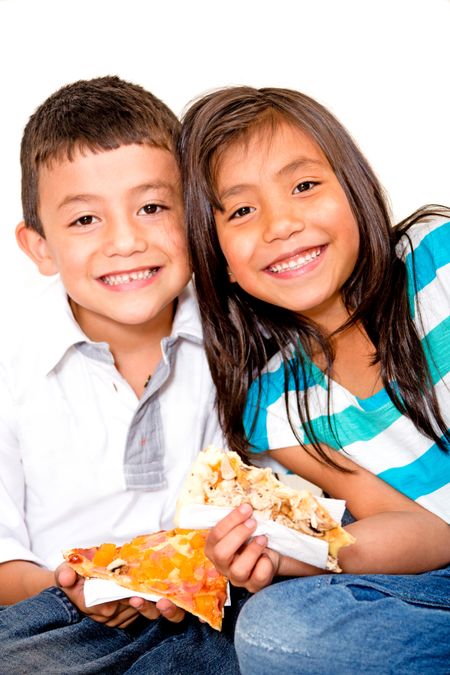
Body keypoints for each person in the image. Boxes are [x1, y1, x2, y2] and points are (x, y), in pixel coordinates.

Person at [178, 86, 450, 673]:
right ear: (218, 254)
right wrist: (298, 554)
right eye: (243, 210)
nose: (281, 224)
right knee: (277, 630)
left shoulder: (438, 259)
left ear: (352, 189)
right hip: (439, 589)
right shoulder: (273, 405)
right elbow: (429, 529)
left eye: (304, 186)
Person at [0, 76, 246, 674]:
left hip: (211, 615)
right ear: (40, 248)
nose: (126, 240)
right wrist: (78, 586)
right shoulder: (14, 369)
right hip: (57, 615)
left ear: (191, 217)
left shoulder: (237, 341)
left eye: (153, 207)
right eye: (85, 219)